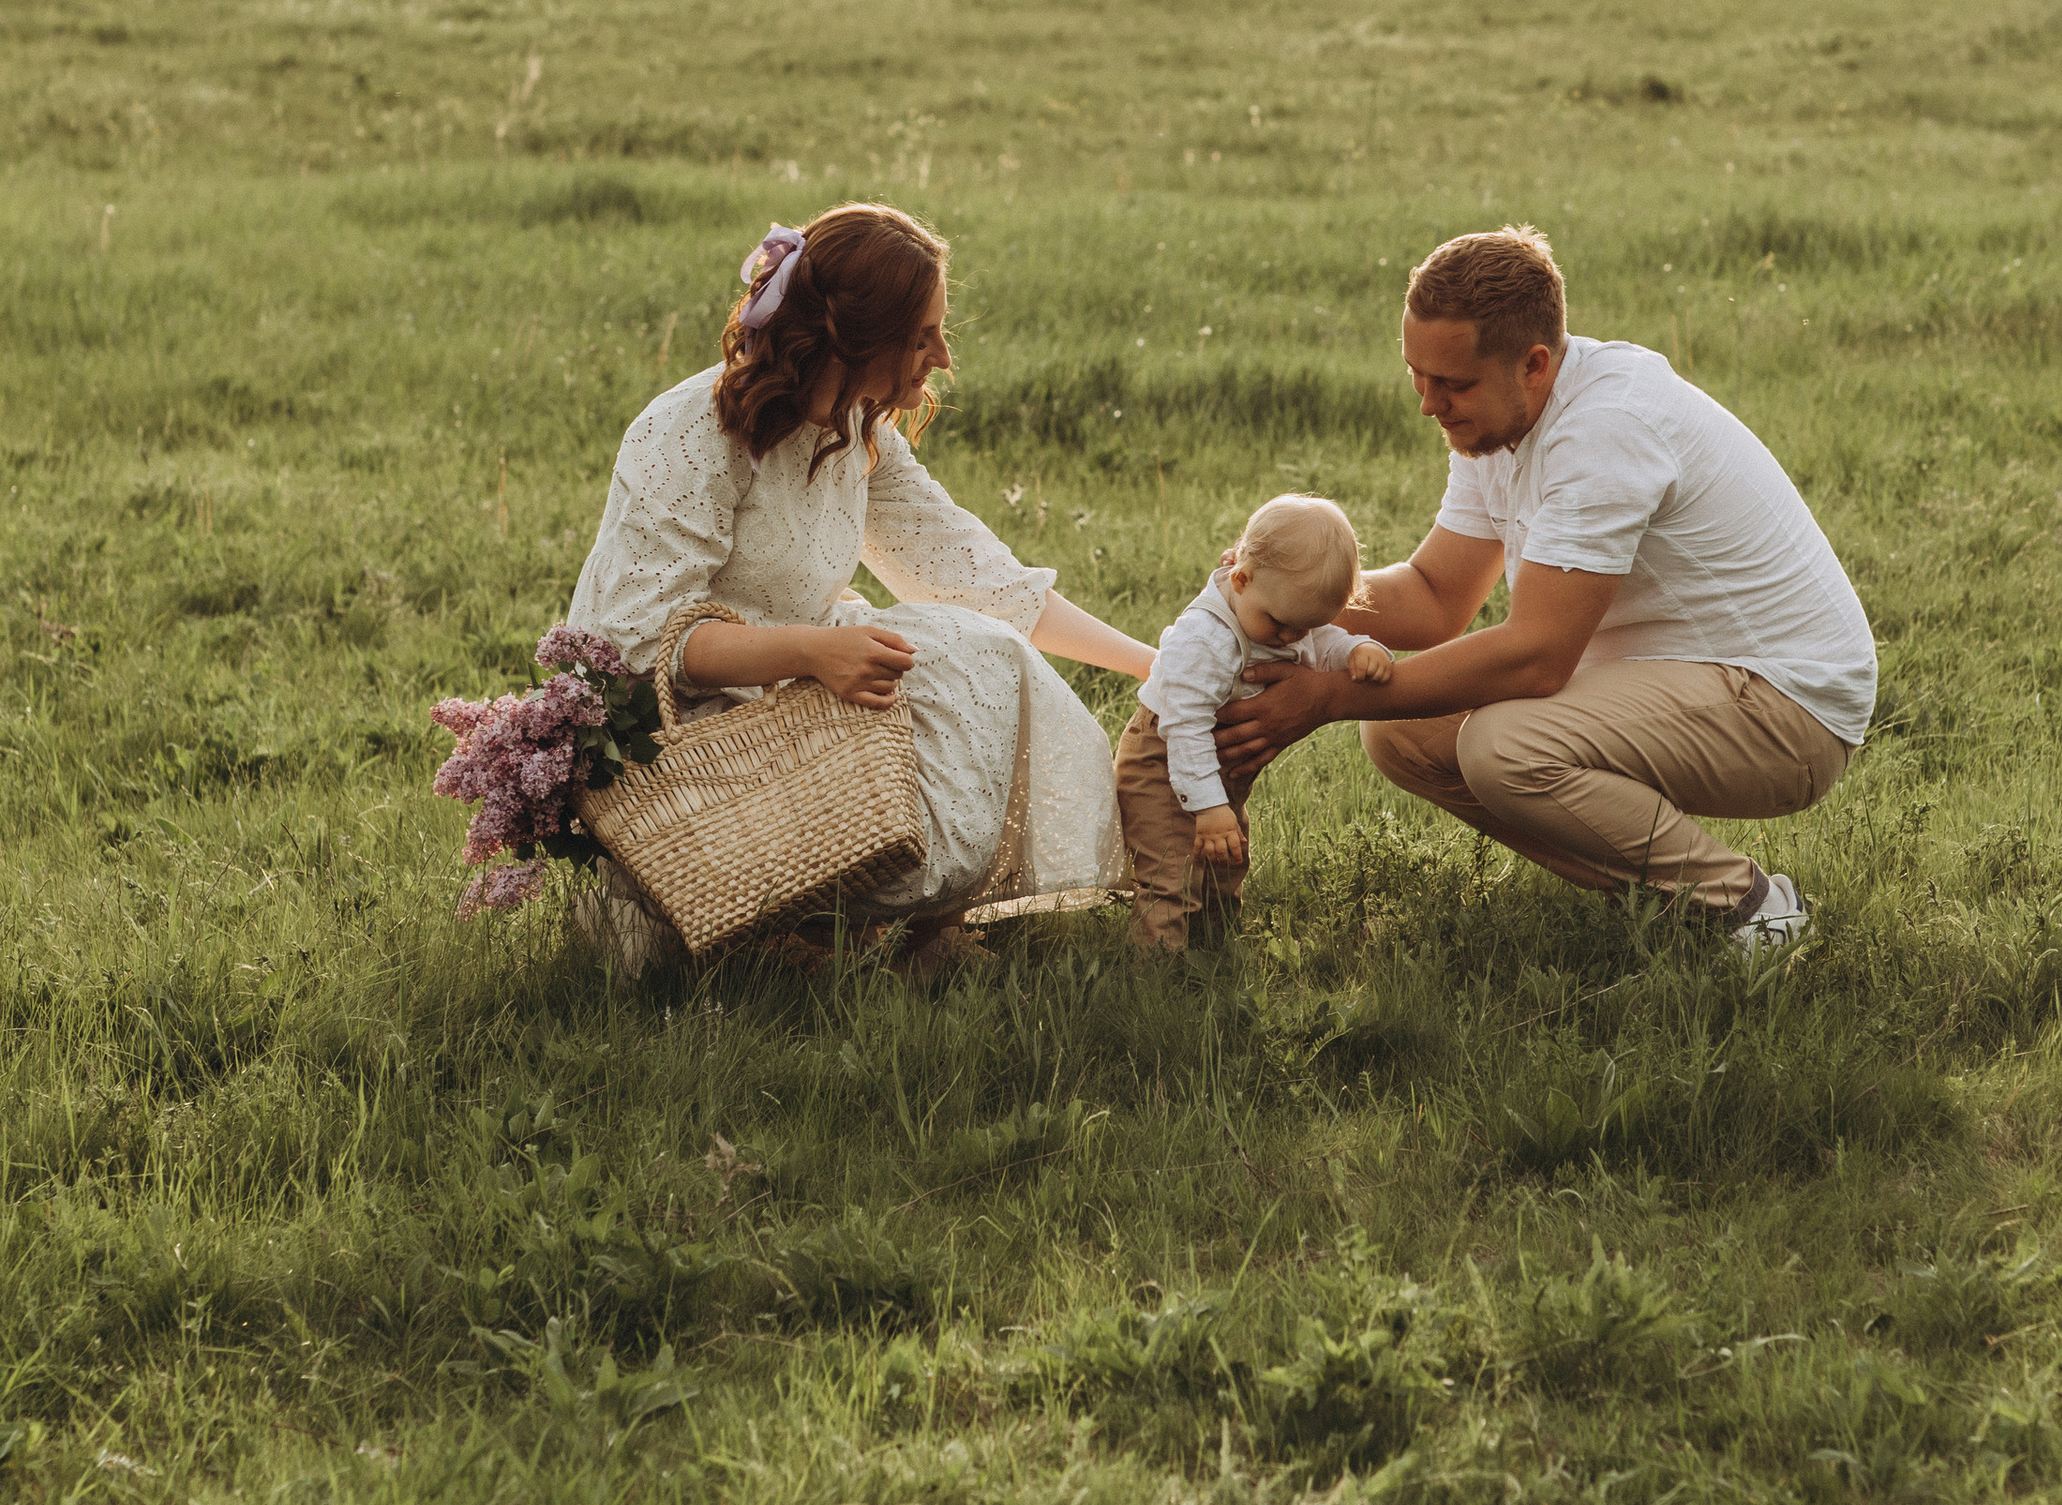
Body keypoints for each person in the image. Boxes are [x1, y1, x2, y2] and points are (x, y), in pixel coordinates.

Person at [1214, 227, 1873, 945]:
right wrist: (1280, 598)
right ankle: (1664, 908)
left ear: (1532, 364)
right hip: (1682, 677)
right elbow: (1437, 595)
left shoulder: (1603, 429)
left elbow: (1537, 657)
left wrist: (1324, 697)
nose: (1429, 405)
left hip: (1787, 706)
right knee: (1402, 733)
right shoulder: (1495, 419)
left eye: (1452, 384)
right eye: (1417, 375)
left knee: (1505, 748)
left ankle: (1751, 910)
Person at [565, 203, 1153, 959]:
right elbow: (635, 645)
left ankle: (907, 928)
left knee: (980, 652)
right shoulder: (692, 431)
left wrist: (1154, 666)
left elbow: (976, 576)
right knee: (897, 654)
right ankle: (799, 932)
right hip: (678, 731)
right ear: (852, 339)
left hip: (794, 686)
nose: (943, 357)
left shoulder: (853, 428)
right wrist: (812, 652)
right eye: (921, 336)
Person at [1115, 495, 1394, 955]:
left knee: (1225, 862)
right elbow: (1184, 726)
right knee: (1171, 872)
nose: (1292, 639)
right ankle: (1156, 973)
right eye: (1282, 626)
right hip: (1163, 762)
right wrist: (1207, 807)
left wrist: (1358, 649)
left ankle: (1216, 950)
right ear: (1240, 579)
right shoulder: (1204, 637)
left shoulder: (1281, 610)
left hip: (1219, 767)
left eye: (1304, 628)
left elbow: (1324, 641)